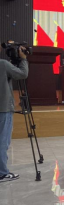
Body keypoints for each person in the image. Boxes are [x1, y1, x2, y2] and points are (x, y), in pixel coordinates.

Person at [0, 47, 28, 182]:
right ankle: (2, 173)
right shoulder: (3, 64)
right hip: (3, 108)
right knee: (2, 141)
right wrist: (23, 59)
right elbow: (22, 74)